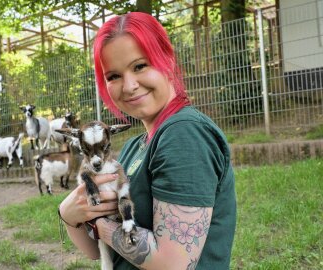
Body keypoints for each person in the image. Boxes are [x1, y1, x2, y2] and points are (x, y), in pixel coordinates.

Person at [58, 12, 236, 270]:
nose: (129, 86)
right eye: (113, 76)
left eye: (140, 66)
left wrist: (100, 225)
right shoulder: (133, 147)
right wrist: (69, 215)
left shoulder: (184, 134)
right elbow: (95, 252)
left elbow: (171, 264)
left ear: (168, 61)